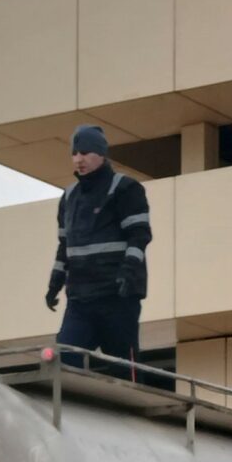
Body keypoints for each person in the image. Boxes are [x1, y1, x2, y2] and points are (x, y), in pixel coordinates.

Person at [46, 125, 151, 374]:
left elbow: (139, 237)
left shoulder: (125, 188)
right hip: (80, 299)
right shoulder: (69, 196)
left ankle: (131, 408)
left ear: (101, 154)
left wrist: (128, 272)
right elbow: (64, 247)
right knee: (62, 362)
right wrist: (54, 284)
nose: (78, 159)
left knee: (124, 370)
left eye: (85, 152)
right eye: (74, 153)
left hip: (117, 297)